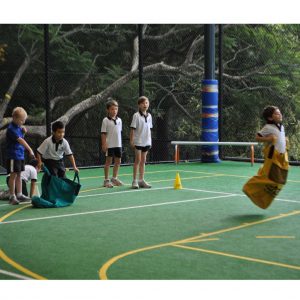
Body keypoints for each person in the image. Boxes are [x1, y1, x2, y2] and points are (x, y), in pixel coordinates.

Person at [243, 106, 289, 209]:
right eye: (277, 113)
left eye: (280, 112)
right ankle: (248, 188)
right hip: (272, 156)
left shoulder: (281, 127)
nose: (280, 114)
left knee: (280, 180)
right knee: (268, 177)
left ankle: (262, 200)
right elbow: (257, 137)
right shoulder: (268, 127)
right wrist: (269, 138)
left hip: (281, 157)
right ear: (270, 118)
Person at [6, 107, 35, 205]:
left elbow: (20, 138)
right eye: (22, 120)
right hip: (13, 155)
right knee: (13, 175)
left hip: (19, 155)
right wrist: (30, 150)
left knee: (19, 175)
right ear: (14, 118)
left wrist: (23, 133)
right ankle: (12, 196)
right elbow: (21, 141)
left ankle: (19, 194)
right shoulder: (11, 129)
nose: (23, 122)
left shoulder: (18, 127)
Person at [130, 96, 153, 189]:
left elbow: (149, 129)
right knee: (138, 161)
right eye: (143, 103)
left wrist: (150, 141)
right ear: (139, 105)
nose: (145, 105)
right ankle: (134, 181)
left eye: (146, 103)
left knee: (143, 161)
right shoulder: (136, 115)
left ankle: (141, 180)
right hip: (138, 142)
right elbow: (132, 129)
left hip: (146, 142)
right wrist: (131, 141)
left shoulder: (150, 116)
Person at [101, 99, 124, 188]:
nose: (114, 111)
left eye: (116, 109)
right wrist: (104, 144)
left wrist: (120, 144)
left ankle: (114, 178)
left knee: (118, 161)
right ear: (108, 110)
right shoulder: (105, 120)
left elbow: (119, 132)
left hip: (118, 144)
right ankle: (106, 180)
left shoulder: (119, 120)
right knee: (108, 162)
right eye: (112, 109)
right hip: (109, 145)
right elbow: (103, 133)